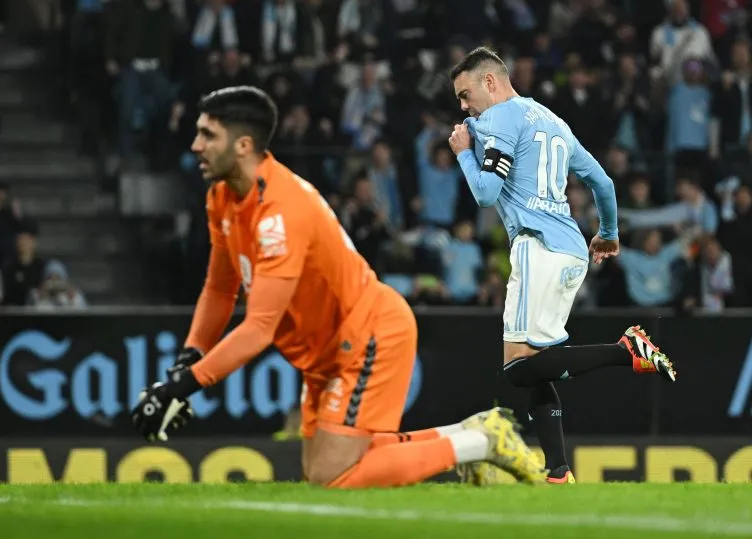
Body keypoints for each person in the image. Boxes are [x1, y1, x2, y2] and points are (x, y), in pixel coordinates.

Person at [130, 85, 546, 487]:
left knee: (336, 474)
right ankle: (476, 436)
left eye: (207, 134)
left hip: (366, 333)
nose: (195, 146)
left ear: (242, 145)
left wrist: (182, 387)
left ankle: (483, 441)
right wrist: (188, 358)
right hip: (327, 346)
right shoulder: (222, 197)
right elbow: (220, 288)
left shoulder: (280, 211)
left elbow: (259, 328)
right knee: (324, 468)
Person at [447, 47, 677, 485]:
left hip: (538, 249)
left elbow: (484, 193)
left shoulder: (499, 118)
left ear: (490, 82)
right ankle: (558, 471)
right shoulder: (553, 121)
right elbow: (603, 182)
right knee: (538, 361)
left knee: (517, 367)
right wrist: (608, 233)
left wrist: (462, 151)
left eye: (465, 94)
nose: (463, 106)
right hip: (571, 251)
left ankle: (624, 351)